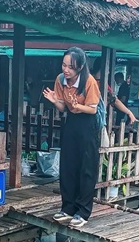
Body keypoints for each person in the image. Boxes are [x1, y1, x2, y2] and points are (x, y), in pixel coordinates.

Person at [43, 47, 100, 229]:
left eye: (71, 67)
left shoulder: (89, 82)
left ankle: (83, 211)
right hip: (71, 123)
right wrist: (55, 101)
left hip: (87, 124)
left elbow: (93, 108)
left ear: (81, 67)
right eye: (64, 65)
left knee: (86, 167)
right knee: (68, 165)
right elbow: (63, 108)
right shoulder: (60, 80)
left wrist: (77, 105)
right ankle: (67, 207)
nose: (66, 70)